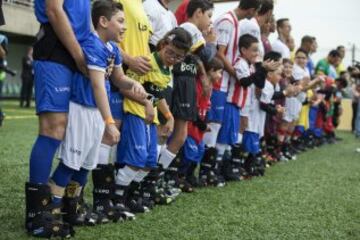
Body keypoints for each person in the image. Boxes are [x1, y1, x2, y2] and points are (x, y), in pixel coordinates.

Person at [26, 0, 91, 238]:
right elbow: (54, 9)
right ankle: (37, 215)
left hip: (76, 51)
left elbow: (87, 23)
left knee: (74, 128)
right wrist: (78, 55)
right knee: (52, 128)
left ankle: (56, 202)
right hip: (58, 48)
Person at [114, 28, 192, 211]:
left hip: (150, 117)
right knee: (137, 159)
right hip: (135, 113)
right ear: (163, 44)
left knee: (149, 162)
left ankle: (129, 196)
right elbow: (125, 87)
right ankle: (116, 199)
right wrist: (147, 102)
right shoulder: (147, 62)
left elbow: (156, 93)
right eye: (170, 52)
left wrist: (169, 116)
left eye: (178, 57)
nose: (172, 58)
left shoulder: (167, 69)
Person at [202, 0, 261, 187]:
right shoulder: (227, 21)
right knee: (213, 126)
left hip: (224, 83)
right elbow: (219, 54)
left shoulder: (233, 21)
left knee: (219, 127)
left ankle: (211, 169)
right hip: (219, 82)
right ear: (252, 9)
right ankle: (205, 170)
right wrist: (237, 74)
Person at [157, 0, 215, 184]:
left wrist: (203, 74)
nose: (210, 22)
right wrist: (211, 42)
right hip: (182, 81)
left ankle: (159, 176)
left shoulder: (190, 30)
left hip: (186, 81)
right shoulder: (189, 27)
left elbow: (196, 58)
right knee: (175, 134)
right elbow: (207, 56)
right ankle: (156, 176)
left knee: (176, 135)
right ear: (198, 12)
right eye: (209, 16)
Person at [242, 51, 284, 176]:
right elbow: (263, 104)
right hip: (252, 120)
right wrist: (275, 110)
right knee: (248, 146)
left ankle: (251, 166)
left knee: (253, 145)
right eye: (278, 73)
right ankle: (245, 167)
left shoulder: (268, 84)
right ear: (270, 73)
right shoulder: (266, 84)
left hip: (256, 120)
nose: (280, 77)